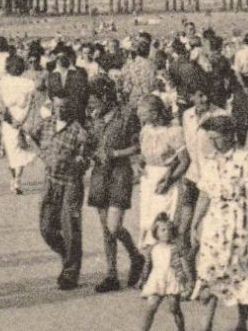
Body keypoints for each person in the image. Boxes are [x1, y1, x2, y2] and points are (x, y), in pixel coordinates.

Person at [189, 115, 248, 331]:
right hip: (215, 224)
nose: (213, 143)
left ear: (230, 135)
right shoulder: (210, 161)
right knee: (209, 272)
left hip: (238, 220)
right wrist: (195, 222)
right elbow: (205, 193)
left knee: (241, 273)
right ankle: (205, 329)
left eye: (216, 138)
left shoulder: (245, 159)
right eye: (210, 138)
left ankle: (241, 326)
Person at [86, 81, 145, 292]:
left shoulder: (127, 116)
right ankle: (111, 274)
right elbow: (91, 144)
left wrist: (117, 154)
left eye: (96, 101)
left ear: (107, 98)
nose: (93, 105)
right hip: (100, 174)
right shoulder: (93, 118)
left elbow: (140, 144)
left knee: (113, 225)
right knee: (105, 228)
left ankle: (135, 255)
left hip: (120, 172)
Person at [39, 96, 94, 290]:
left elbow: (86, 157)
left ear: (70, 108)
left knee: (70, 226)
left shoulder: (79, 131)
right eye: (57, 106)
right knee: (46, 227)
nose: (60, 110)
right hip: (50, 182)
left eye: (64, 106)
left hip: (71, 184)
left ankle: (71, 272)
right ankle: (67, 256)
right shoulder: (46, 125)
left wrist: (77, 162)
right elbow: (31, 137)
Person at [130, 213, 193, 331]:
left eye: (169, 229)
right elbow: (148, 266)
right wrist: (143, 280)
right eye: (163, 230)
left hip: (172, 279)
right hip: (157, 280)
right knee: (151, 306)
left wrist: (188, 280)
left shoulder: (175, 248)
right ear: (156, 232)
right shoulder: (153, 248)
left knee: (174, 308)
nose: (166, 232)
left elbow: (184, 264)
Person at [136, 96, 189, 249]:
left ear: (155, 113)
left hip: (166, 180)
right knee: (146, 222)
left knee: (161, 222)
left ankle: (167, 266)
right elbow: (144, 154)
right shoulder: (146, 130)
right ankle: (152, 265)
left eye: (143, 114)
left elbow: (184, 161)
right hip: (148, 180)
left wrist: (169, 181)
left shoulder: (174, 131)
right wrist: (141, 164)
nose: (140, 117)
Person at [0, 54, 39, 194]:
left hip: (9, 121)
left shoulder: (1, 84)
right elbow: (31, 104)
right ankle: (17, 181)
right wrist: (23, 120)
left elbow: (1, 106)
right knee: (22, 149)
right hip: (23, 120)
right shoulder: (28, 84)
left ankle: (14, 179)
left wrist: (11, 120)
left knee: (12, 151)